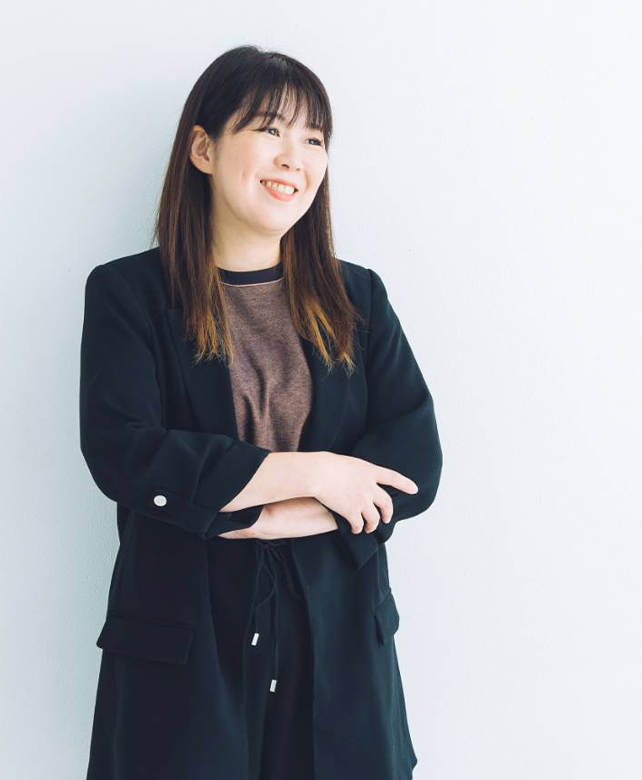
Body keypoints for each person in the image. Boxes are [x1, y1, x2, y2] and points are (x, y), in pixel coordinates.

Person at [80, 44, 443, 780]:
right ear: (204, 149)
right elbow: (125, 451)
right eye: (270, 129)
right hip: (186, 647)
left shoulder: (359, 298)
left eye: (313, 139)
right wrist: (317, 475)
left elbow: (414, 463)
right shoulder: (128, 295)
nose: (293, 158)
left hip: (339, 646)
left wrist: (270, 514)